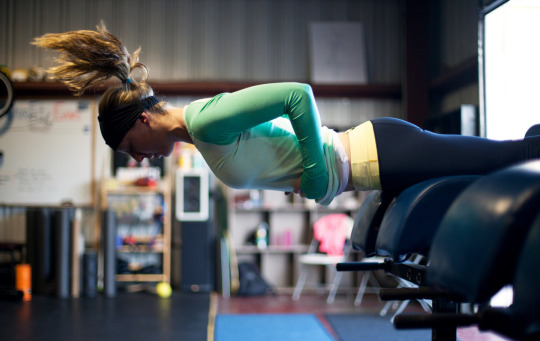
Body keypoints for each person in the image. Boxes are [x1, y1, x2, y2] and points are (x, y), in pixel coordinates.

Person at [33, 25, 540, 206]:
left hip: (378, 151)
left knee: (513, 156)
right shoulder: (202, 137)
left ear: (141, 122)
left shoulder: (205, 120)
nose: (140, 161)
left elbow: (298, 95)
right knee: (506, 160)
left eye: (131, 150)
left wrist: (317, 172)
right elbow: (278, 144)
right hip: (373, 162)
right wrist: (306, 176)